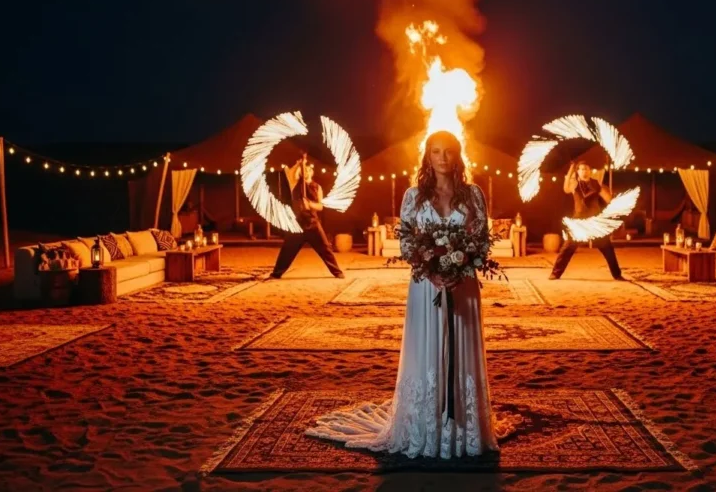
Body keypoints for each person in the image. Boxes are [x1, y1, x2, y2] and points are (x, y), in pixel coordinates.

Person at [305, 130, 513, 459]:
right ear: (427, 157)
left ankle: (463, 429)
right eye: (435, 151)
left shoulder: (473, 194)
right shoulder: (413, 196)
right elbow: (406, 245)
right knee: (427, 350)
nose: (442, 157)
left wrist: (460, 267)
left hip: (464, 287)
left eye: (448, 151)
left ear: (458, 155)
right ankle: (425, 425)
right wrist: (432, 272)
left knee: (460, 349)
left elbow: (482, 241)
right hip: (426, 287)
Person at [267, 159, 344, 279]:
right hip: (297, 225)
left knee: (325, 248)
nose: (306, 171)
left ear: (312, 172)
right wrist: (299, 163)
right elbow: (289, 174)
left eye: (308, 169)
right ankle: (276, 273)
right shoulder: (294, 184)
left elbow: (320, 206)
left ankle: (337, 272)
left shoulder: (317, 187)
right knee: (287, 250)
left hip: (312, 223)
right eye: (304, 170)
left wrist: (310, 205)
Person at [549, 160, 625, 280]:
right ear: (578, 172)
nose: (585, 171)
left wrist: (612, 197)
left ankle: (617, 274)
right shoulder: (574, 185)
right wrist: (571, 169)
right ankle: (555, 273)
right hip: (579, 222)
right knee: (567, 248)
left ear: (590, 171)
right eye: (582, 169)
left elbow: (609, 200)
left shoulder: (597, 185)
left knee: (608, 248)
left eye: (587, 169)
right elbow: (565, 188)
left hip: (595, 223)